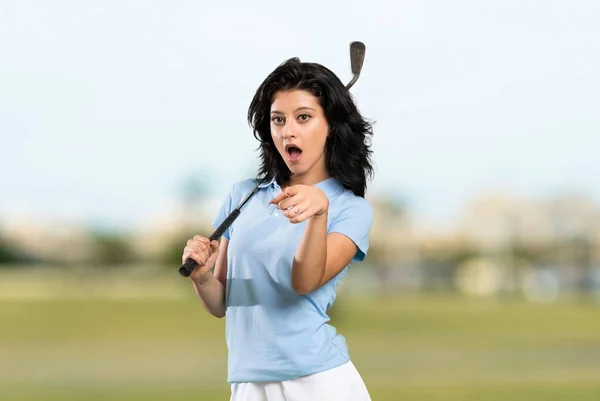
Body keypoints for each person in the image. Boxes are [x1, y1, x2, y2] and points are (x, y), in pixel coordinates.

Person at [181, 56, 375, 401]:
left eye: (304, 117)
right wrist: (203, 278)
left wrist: (318, 214)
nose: (289, 130)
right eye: (278, 119)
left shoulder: (351, 210)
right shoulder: (242, 195)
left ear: (331, 125)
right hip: (246, 384)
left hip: (318, 383)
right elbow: (221, 302)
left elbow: (304, 282)